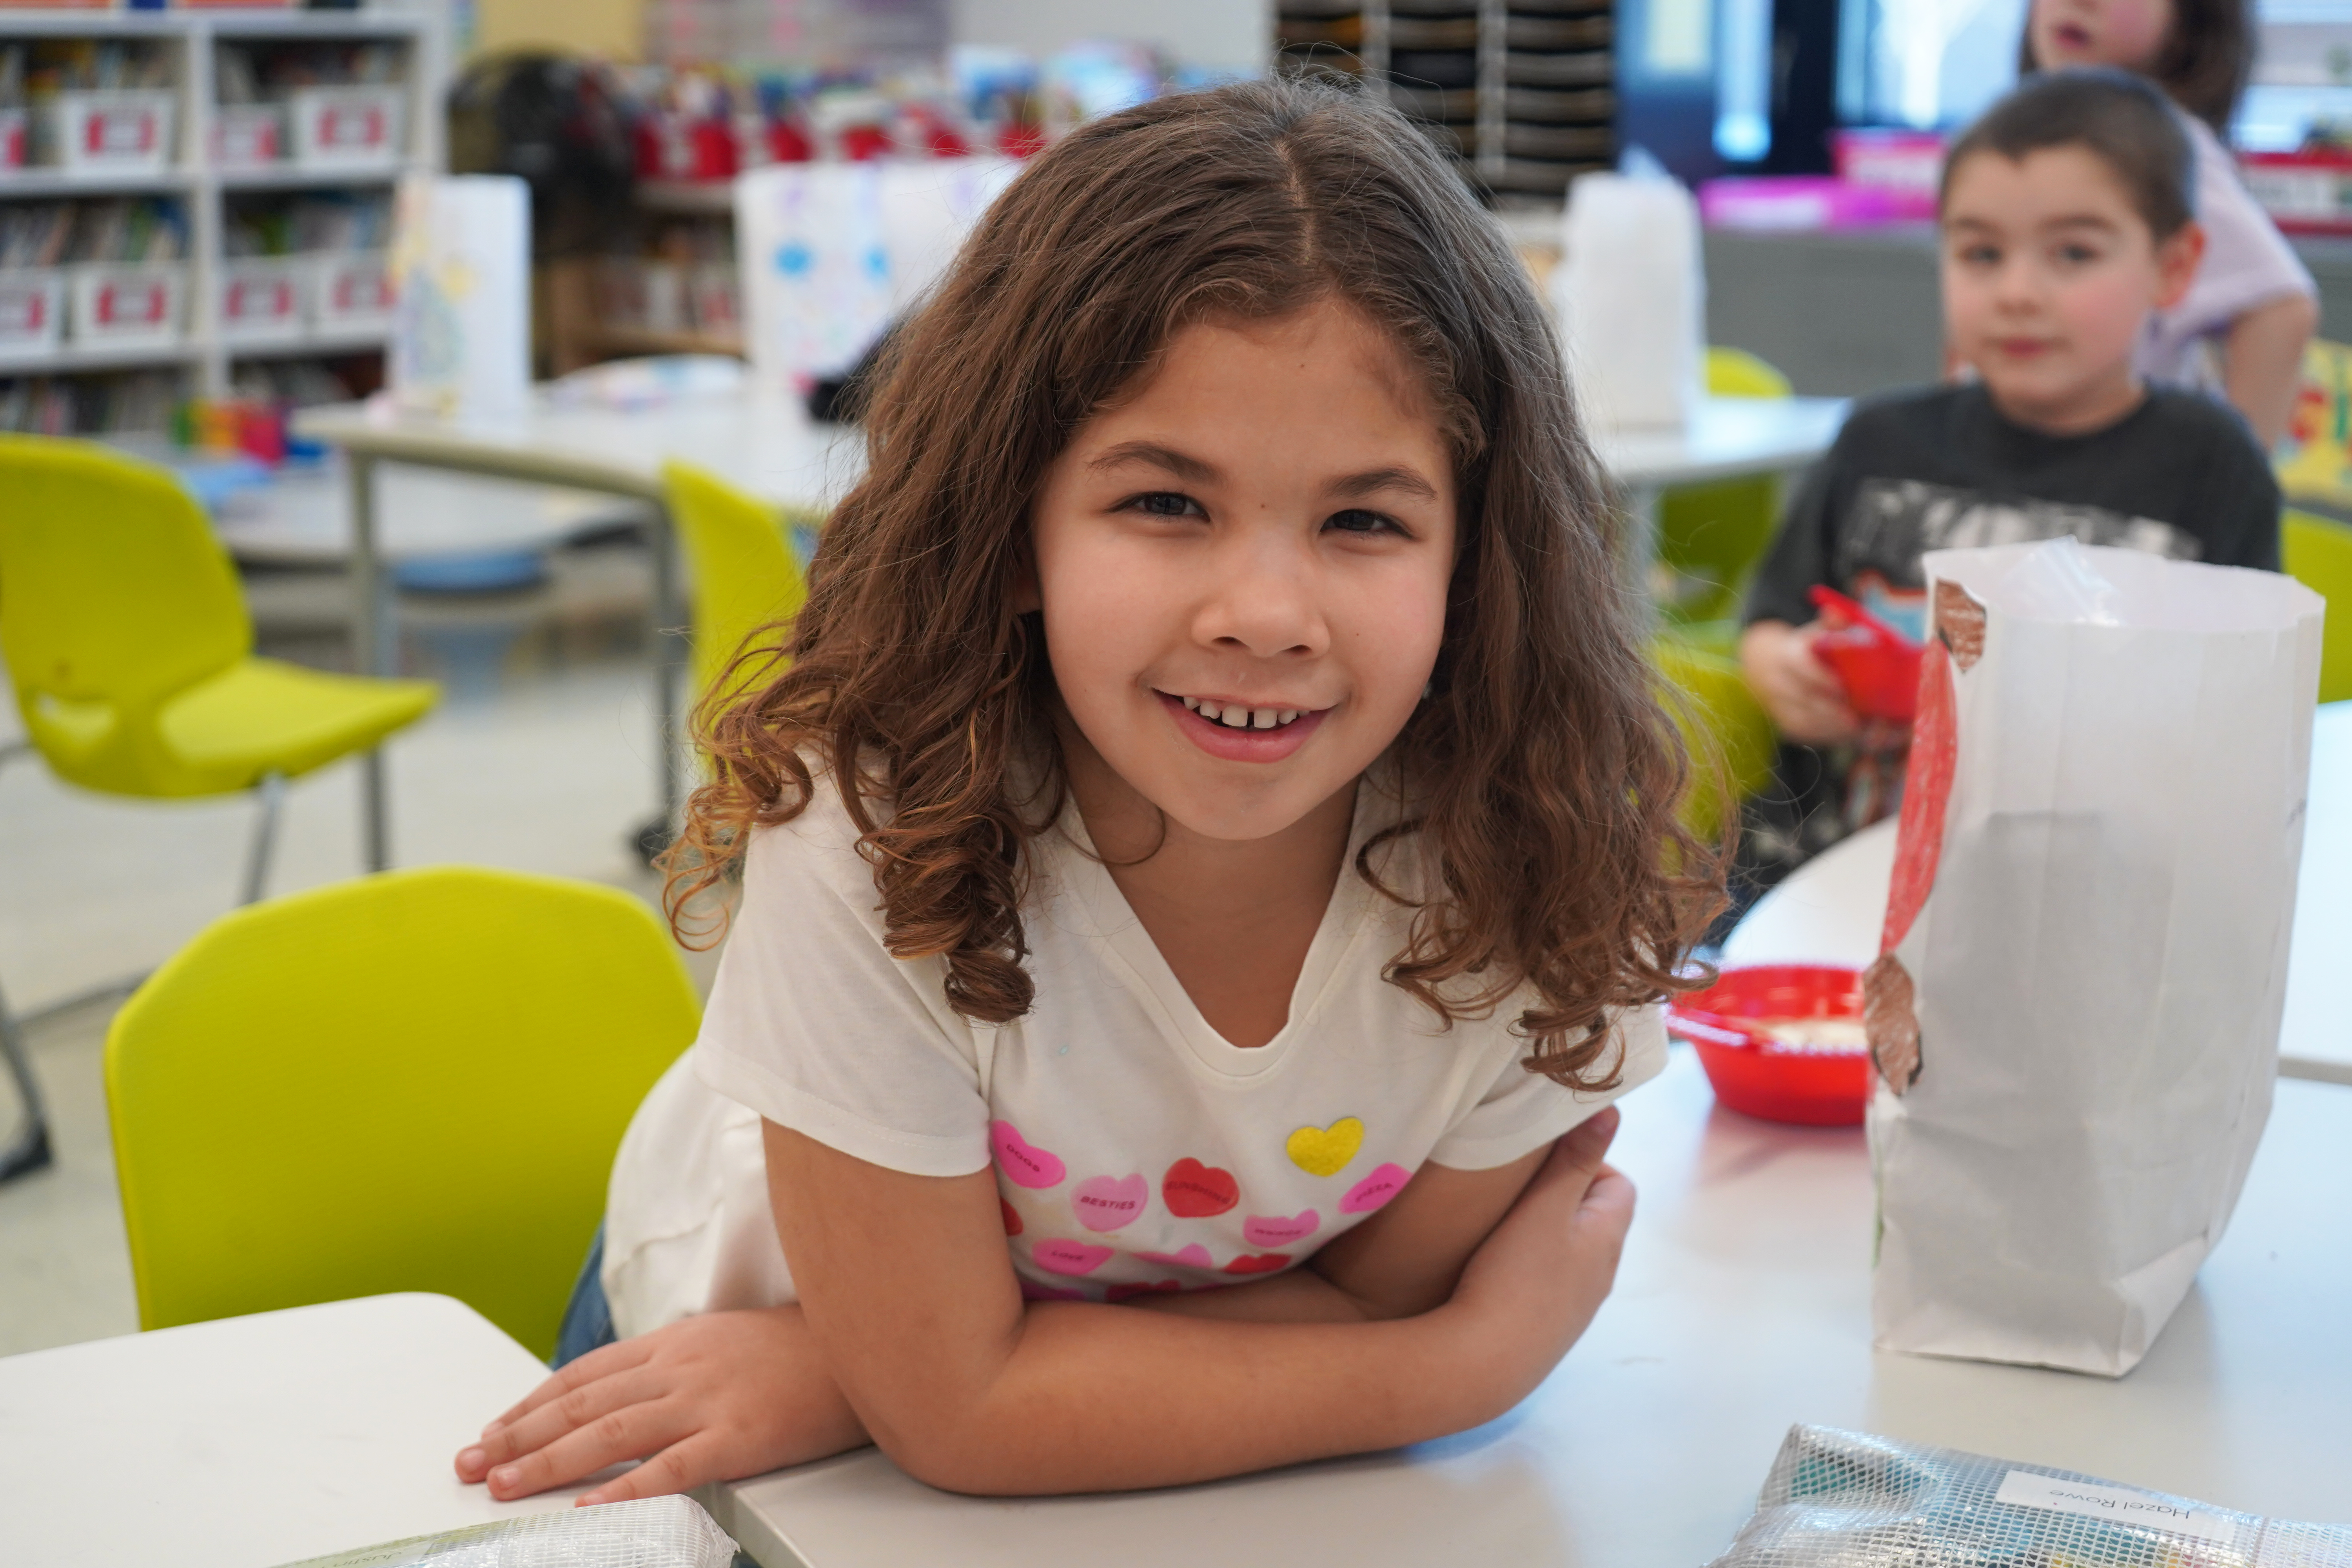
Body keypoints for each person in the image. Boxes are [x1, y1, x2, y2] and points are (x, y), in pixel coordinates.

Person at [453, 77, 1719, 1505]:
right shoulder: (881, 820)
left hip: (974, 1400)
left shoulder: (1534, 856)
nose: (1265, 611)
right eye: (1164, 503)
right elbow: (998, 1411)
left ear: (1472, 565)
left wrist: (935, 1374)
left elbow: (1364, 1289)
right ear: (1010, 532)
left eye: (1363, 518)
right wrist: (1456, 1370)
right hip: (726, 1367)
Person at [1737, 69, 2282, 904]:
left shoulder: (2211, 462)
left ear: (2174, 267)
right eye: (1981, 253)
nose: (2019, 293)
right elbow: (1771, 621)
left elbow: (2243, 716)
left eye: (2074, 253)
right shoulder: (1878, 440)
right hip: (1825, 879)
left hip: (2081, 907)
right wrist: (1784, 667)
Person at [2022, 0, 2318, 448]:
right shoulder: (2021, 142)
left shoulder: (2162, 150)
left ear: (2189, 21)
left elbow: (2282, 305)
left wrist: (2232, 480)